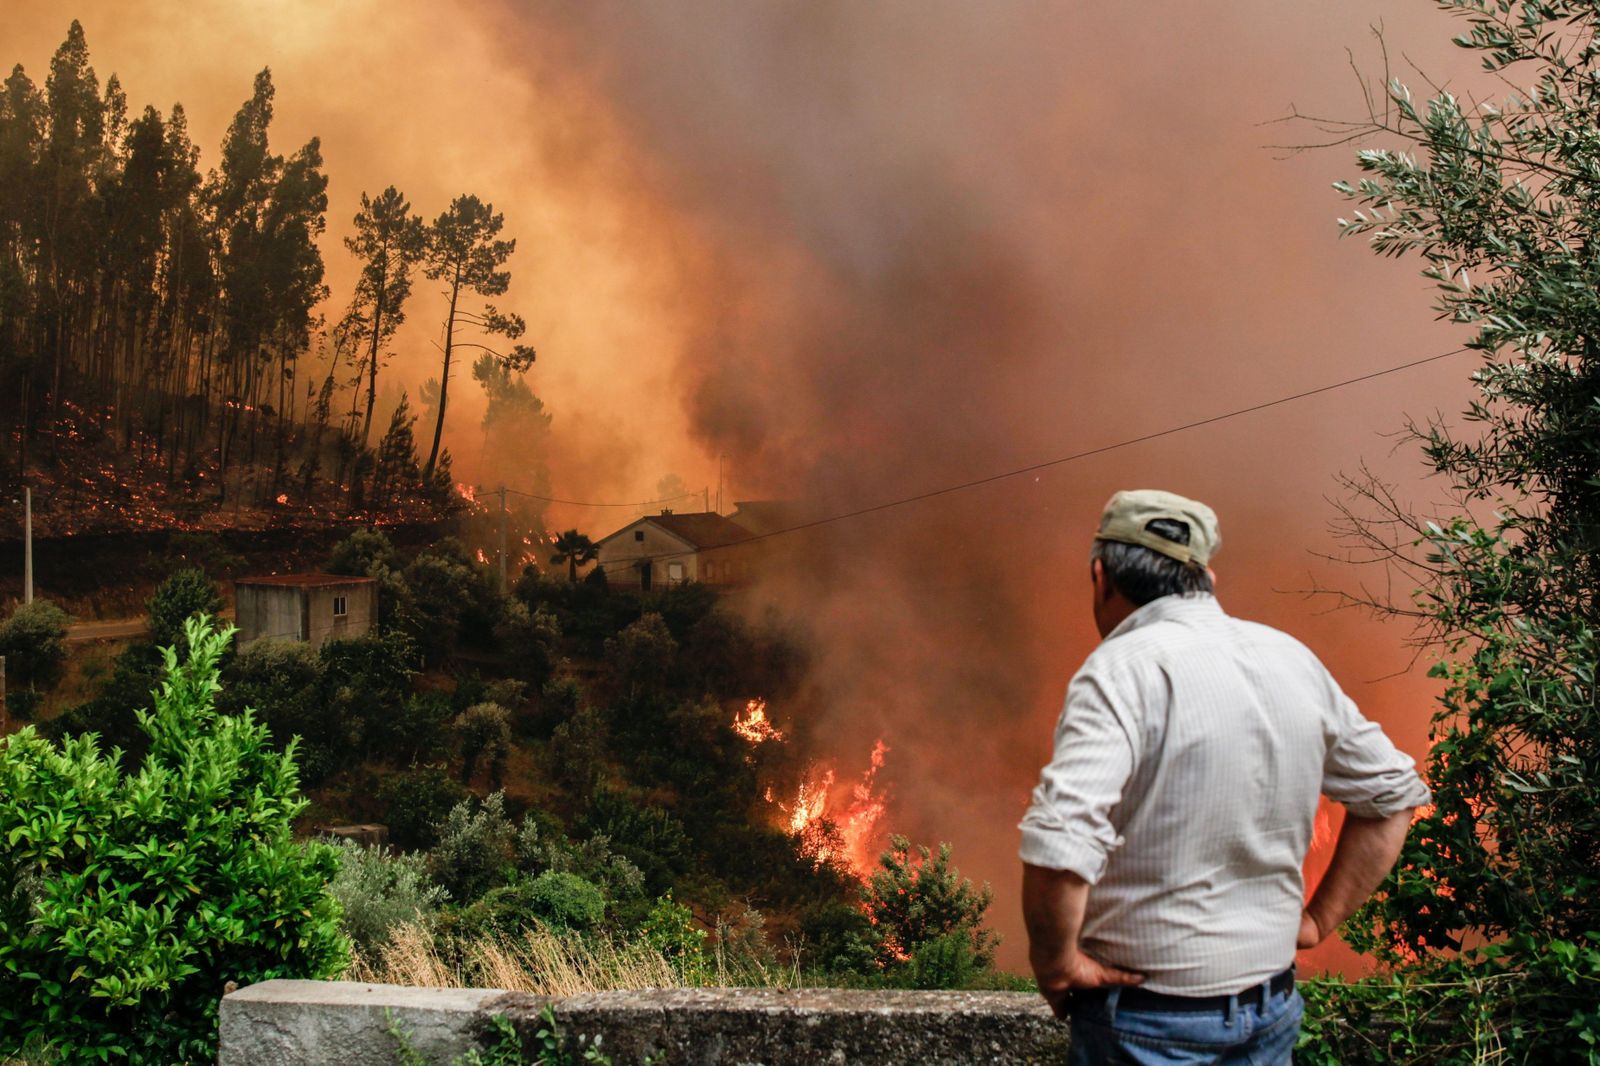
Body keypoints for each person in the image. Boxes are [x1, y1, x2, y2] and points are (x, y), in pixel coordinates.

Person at [1019, 489, 1431, 1065]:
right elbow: (1392, 795)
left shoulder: (1118, 670)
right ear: (1207, 579)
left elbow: (1061, 840)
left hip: (1146, 1021)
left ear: (1101, 577)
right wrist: (1316, 921)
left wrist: (1058, 964)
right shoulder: (1289, 658)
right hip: (1271, 1012)